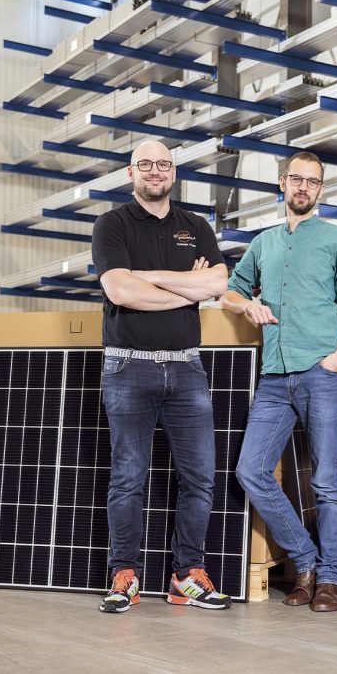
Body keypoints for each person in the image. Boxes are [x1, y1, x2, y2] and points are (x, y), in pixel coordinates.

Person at [90, 139, 232, 613]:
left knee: (200, 479)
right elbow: (119, 290)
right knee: (128, 478)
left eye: (164, 164)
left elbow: (217, 283)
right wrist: (187, 287)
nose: (156, 171)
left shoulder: (196, 226)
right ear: (131, 172)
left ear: (173, 172)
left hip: (187, 367)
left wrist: (145, 276)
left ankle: (187, 575)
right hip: (127, 366)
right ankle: (124, 574)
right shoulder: (112, 224)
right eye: (146, 164)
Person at [223, 152, 337, 613]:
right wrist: (247, 305)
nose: (304, 187)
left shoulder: (335, 239)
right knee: (251, 471)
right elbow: (230, 291)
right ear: (282, 183)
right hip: (274, 377)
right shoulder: (263, 242)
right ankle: (305, 561)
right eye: (297, 179)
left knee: (327, 481)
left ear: (320, 189)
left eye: (313, 181)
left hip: (321, 372)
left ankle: (329, 578)